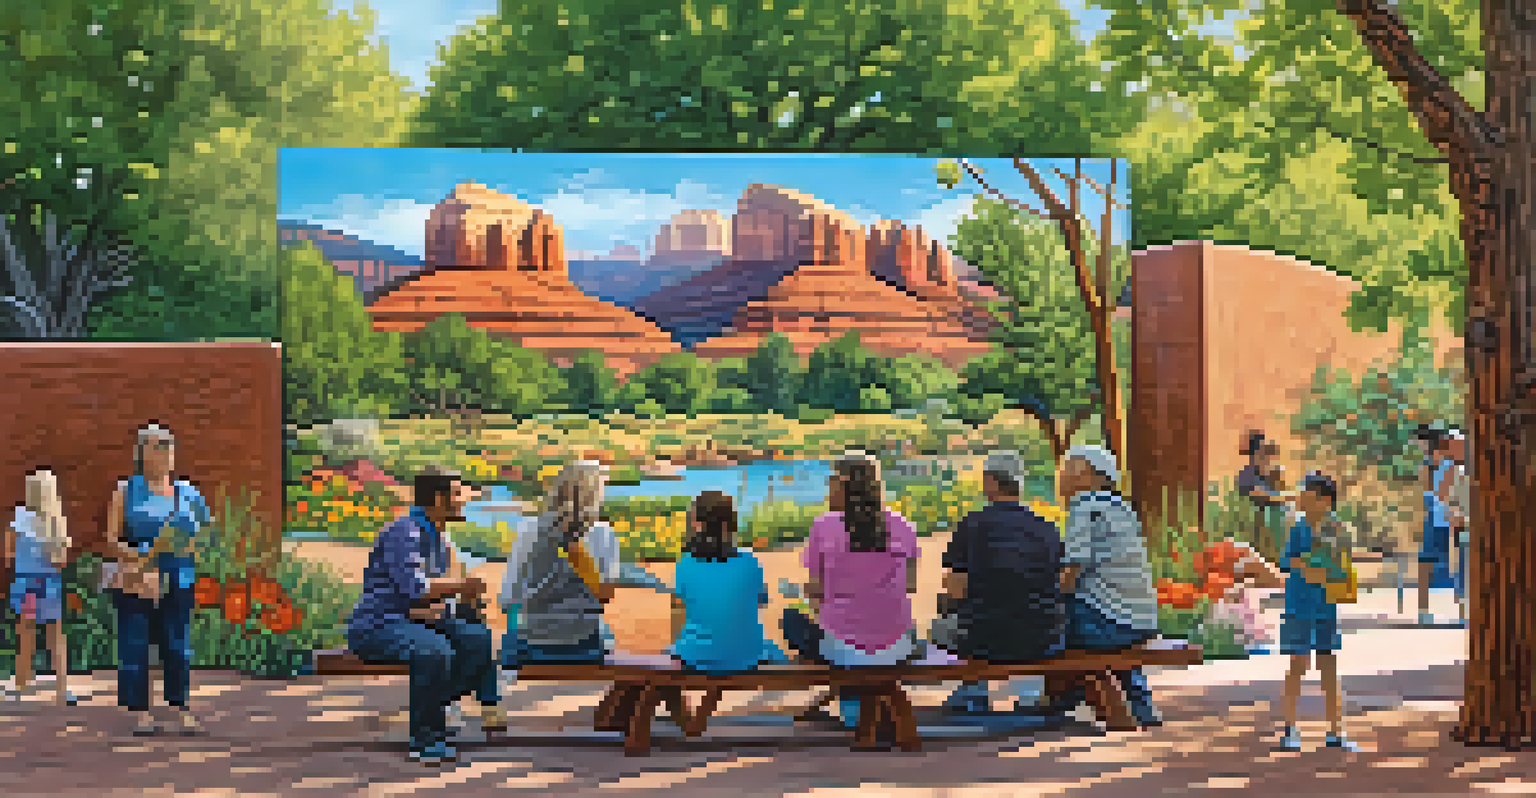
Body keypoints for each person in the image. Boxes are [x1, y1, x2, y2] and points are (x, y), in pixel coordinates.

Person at [347, 466, 496, 765]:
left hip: (415, 619)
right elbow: (416, 588)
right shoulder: (405, 532)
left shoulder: (438, 535)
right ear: (439, 499)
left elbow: (431, 598)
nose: (464, 499)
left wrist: (461, 600)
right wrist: (461, 586)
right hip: (379, 625)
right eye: (457, 493)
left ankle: (430, 709)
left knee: (479, 640)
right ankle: (426, 740)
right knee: (435, 651)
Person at [782, 452, 922, 726]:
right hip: (897, 643)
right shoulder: (903, 525)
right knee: (863, 639)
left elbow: (817, 589)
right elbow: (910, 585)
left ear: (840, 484)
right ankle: (861, 706)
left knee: (792, 620)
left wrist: (809, 595)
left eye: (830, 480)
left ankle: (854, 710)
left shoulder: (824, 526)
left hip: (842, 645)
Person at [932, 451, 1065, 714]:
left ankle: (974, 690)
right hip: (1042, 636)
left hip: (983, 637)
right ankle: (1029, 693)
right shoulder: (1048, 528)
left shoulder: (972, 523)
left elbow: (956, 588)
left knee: (944, 622)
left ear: (991, 481)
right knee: (1027, 610)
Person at [103, 423, 214, 736]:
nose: (166, 451)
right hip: (138, 578)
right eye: (158, 445)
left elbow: (207, 533)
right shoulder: (126, 490)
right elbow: (111, 539)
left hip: (178, 577)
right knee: (135, 644)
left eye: (170, 445)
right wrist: (141, 557)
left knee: (177, 646)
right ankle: (141, 712)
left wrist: (190, 544)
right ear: (142, 453)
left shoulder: (188, 493)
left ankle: (180, 708)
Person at [1052, 445, 1162, 728]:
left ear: (1086, 474)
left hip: (1106, 624)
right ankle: (1141, 705)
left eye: (1066, 470)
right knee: (1112, 629)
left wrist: (1050, 597)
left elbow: (1073, 568)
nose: (1060, 478)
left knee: (1050, 620)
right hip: (1141, 621)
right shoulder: (1122, 508)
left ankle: (1064, 700)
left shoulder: (1083, 508)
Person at [500, 461, 619, 671]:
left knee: (514, 628)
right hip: (583, 646)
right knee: (605, 632)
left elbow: (509, 596)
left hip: (530, 645)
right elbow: (604, 596)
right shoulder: (602, 532)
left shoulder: (528, 528)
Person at [1277, 472, 1360, 752]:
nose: (1300, 497)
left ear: (1324, 501)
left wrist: (1319, 566)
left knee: (1328, 666)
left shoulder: (1337, 528)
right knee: (1297, 665)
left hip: (1326, 607)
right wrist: (1313, 566)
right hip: (1298, 606)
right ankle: (1289, 729)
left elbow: (1339, 562)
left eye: (1306, 494)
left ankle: (1336, 732)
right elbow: (1290, 562)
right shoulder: (1298, 527)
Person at [669, 491, 788, 672]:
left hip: (695, 655)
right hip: (745, 655)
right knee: (773, 650)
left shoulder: (685, 564)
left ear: (697, 525)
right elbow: (760, 602)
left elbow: (679, 608)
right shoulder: (750, 563)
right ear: (731, 525)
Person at [4, 468, 75, 705]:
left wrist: (20, 560)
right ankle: (62, 690)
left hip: (27, 582)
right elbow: (63, 560)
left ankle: (21, 684)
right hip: (49, 582)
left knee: (26, 633)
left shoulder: (21, 516)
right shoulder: (57, 521)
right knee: (56, 636)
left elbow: (8, 551)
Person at [1416, 424, 1456, 624]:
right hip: (1434, 517)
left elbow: (1446, 493)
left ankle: (1462, 610)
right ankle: (1423, 610)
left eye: (1422, 443)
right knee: (1425, 563)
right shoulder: (1428, 465)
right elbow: (1428, 493)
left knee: (1457, 564)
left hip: (1450, 518)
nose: (1420, 447)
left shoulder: (1450, 464)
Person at [1236, 431, 1289, 565]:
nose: (1267, 457)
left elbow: (1278, 491)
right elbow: (1261, 495)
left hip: (1272, 516)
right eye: (1263, 453)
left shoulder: (1268, 472)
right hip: (1258, 517)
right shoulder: (1247, 474)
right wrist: (1289, 498)